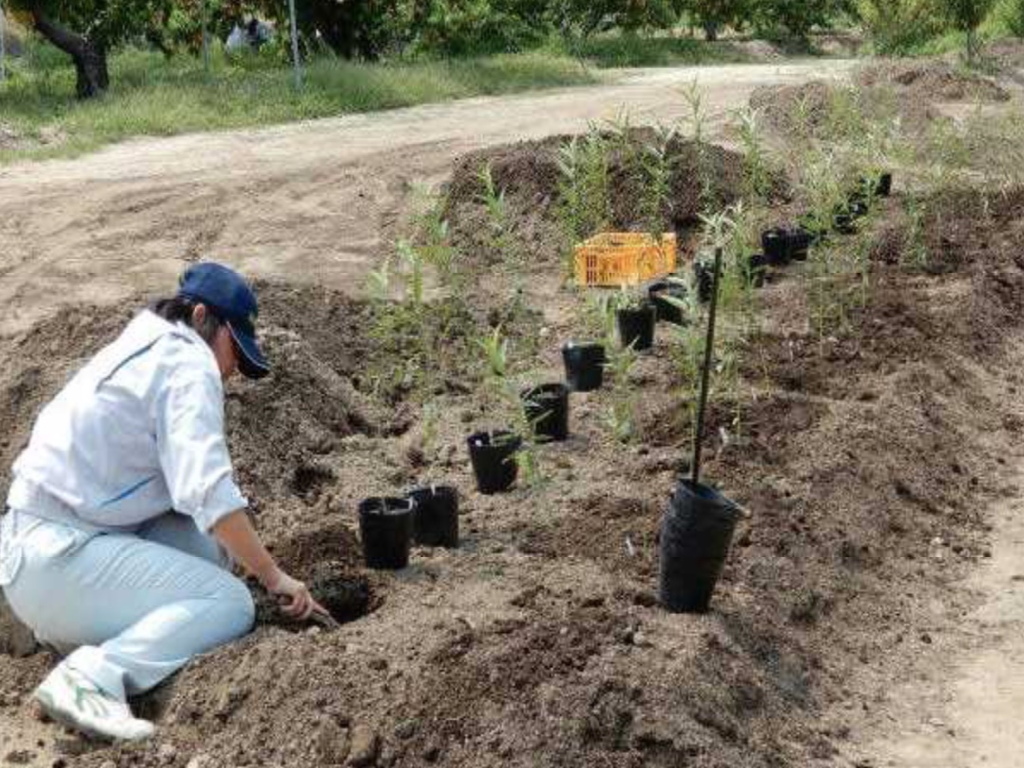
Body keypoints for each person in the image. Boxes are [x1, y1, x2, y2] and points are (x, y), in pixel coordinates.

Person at [0, 263, 327, 742]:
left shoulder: (147, 344)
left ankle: (89, 634)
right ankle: (92, 677)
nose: (232, 369)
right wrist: (273, 576)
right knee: (230, 603)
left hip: (49, 545)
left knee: (210, 552)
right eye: (234, 349)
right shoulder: (189, 366)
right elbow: (210, 494)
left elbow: (193, 505)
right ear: (200, 318)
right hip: (55, 561)